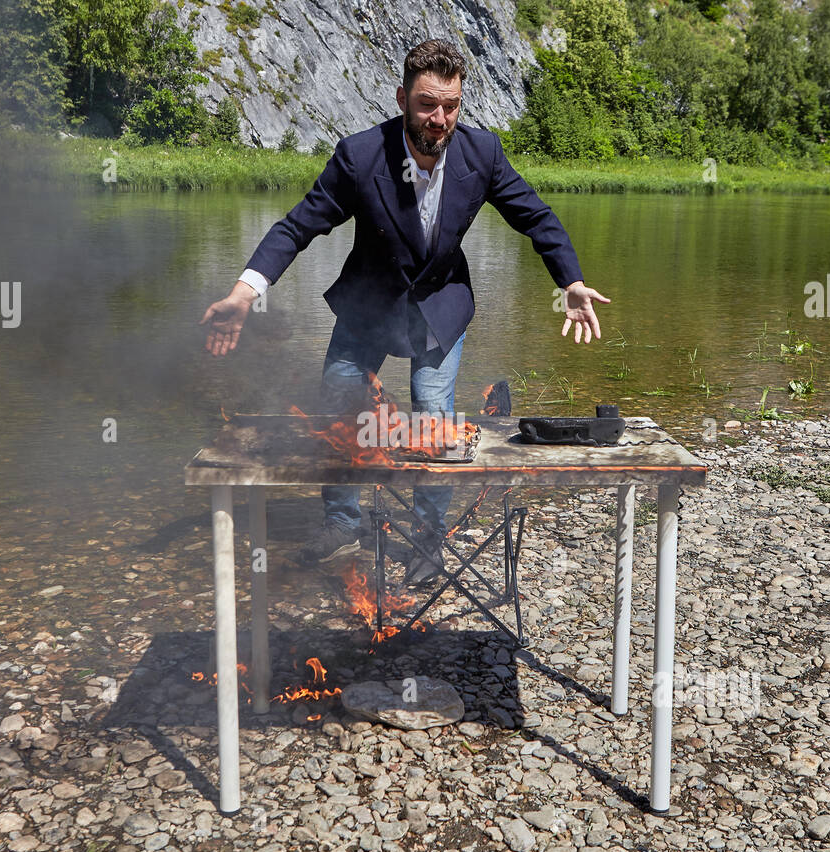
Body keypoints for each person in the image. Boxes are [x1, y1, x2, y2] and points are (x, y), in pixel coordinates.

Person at [202, 38, 609, 583]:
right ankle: (342, 521)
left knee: (432, 422)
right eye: (427, 104)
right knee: (341, 408)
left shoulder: (481, 153)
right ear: (402, 98)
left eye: (451, 105)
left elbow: (536, 218)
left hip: (439, 307)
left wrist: (572, 281)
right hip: (368, 307)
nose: (439, 118)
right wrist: (245, 292)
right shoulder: (359, 155)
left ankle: (427, 538)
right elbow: (298, 227)